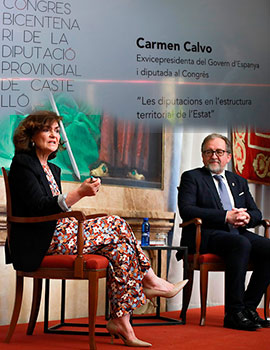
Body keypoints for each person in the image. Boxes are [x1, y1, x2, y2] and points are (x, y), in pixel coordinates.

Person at [6, 110, 188, 347]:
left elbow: (56, 209)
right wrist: (78, 194)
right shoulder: (22, 164)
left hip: (59, 233)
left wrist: (75, 200)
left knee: (120, 249)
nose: (54, 135)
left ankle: (120, 320)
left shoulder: (53, 169)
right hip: (40, 239)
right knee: (117, 223)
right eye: (47, 129)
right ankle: (151, 281)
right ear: (31, 134)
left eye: (57, 130)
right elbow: (39, 208)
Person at [178, 133, 270, 331]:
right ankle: (233, 313)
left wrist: (247, 218)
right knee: (241, 244)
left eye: (219, 152)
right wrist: (225, 216)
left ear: (228, 156)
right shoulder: (192, 177)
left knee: (268, 248)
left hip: (236, 232)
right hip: (206, 234)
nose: (214, 156)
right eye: (209, 152)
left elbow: (256, 211)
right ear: (202, 156)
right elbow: (187, 210)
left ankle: (248, 308)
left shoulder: (238, 181)